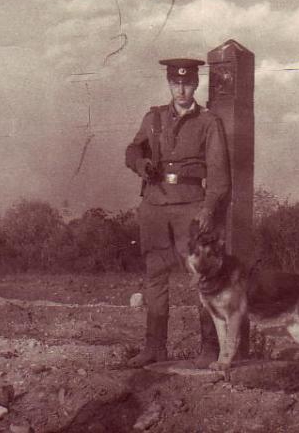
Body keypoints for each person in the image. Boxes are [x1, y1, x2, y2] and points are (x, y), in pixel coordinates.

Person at [124, 58, 230, 368]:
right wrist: (140, 164)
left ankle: (210, 348)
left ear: (195, 84)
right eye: (175, 83)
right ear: (169, 84)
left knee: (202, 276)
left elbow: (219, 174)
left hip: (190, 207)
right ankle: (155, 348)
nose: (181, 89)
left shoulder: (209, 122)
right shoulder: (154, 118)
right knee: (155, 275)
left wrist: (209, 208)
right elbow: (133, 149)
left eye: (186, 83)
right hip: (155, 205)